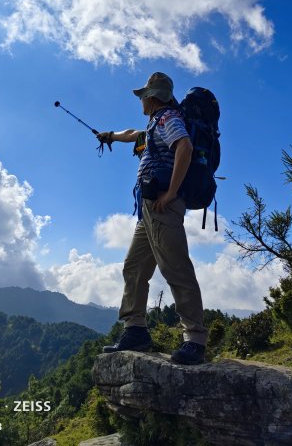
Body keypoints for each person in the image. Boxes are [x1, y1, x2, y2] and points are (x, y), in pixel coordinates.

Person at [97, 72, 208, 365]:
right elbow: (133, 134)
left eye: (143, 96)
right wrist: (110, 136)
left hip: (162, 206)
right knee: (134, 267)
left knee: (176, 268)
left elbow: (184, 146)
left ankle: (195, 340)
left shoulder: (168, 119)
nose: (141, 102)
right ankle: (135, 331)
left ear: (152, 97)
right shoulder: (154, 122)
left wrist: (171, 193)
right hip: (148, 210)